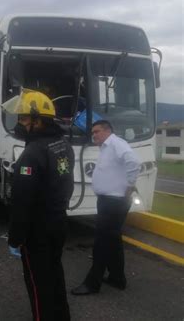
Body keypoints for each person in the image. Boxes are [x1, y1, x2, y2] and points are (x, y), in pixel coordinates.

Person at [4, 89, 75, 321]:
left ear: (38, 121)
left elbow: (22, 201)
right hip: (58, 222)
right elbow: (66, 183)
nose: (20, 123)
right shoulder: (63, 144)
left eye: (24, 118)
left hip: (38, 230)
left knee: (37, 283)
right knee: (54, 273)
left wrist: (16, 237)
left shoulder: (32, 154)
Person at [71, 120, 141, 295]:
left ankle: (92, 284)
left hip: (114, 202)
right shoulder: (105, 147)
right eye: (92, 132)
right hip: (108, 201)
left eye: (97, 132)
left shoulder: (117, 144)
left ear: (108, 131)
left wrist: (130, 185)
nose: (94, 135)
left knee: (102, 243)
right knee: (113, 240)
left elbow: (133, 162)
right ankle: (117, 278)